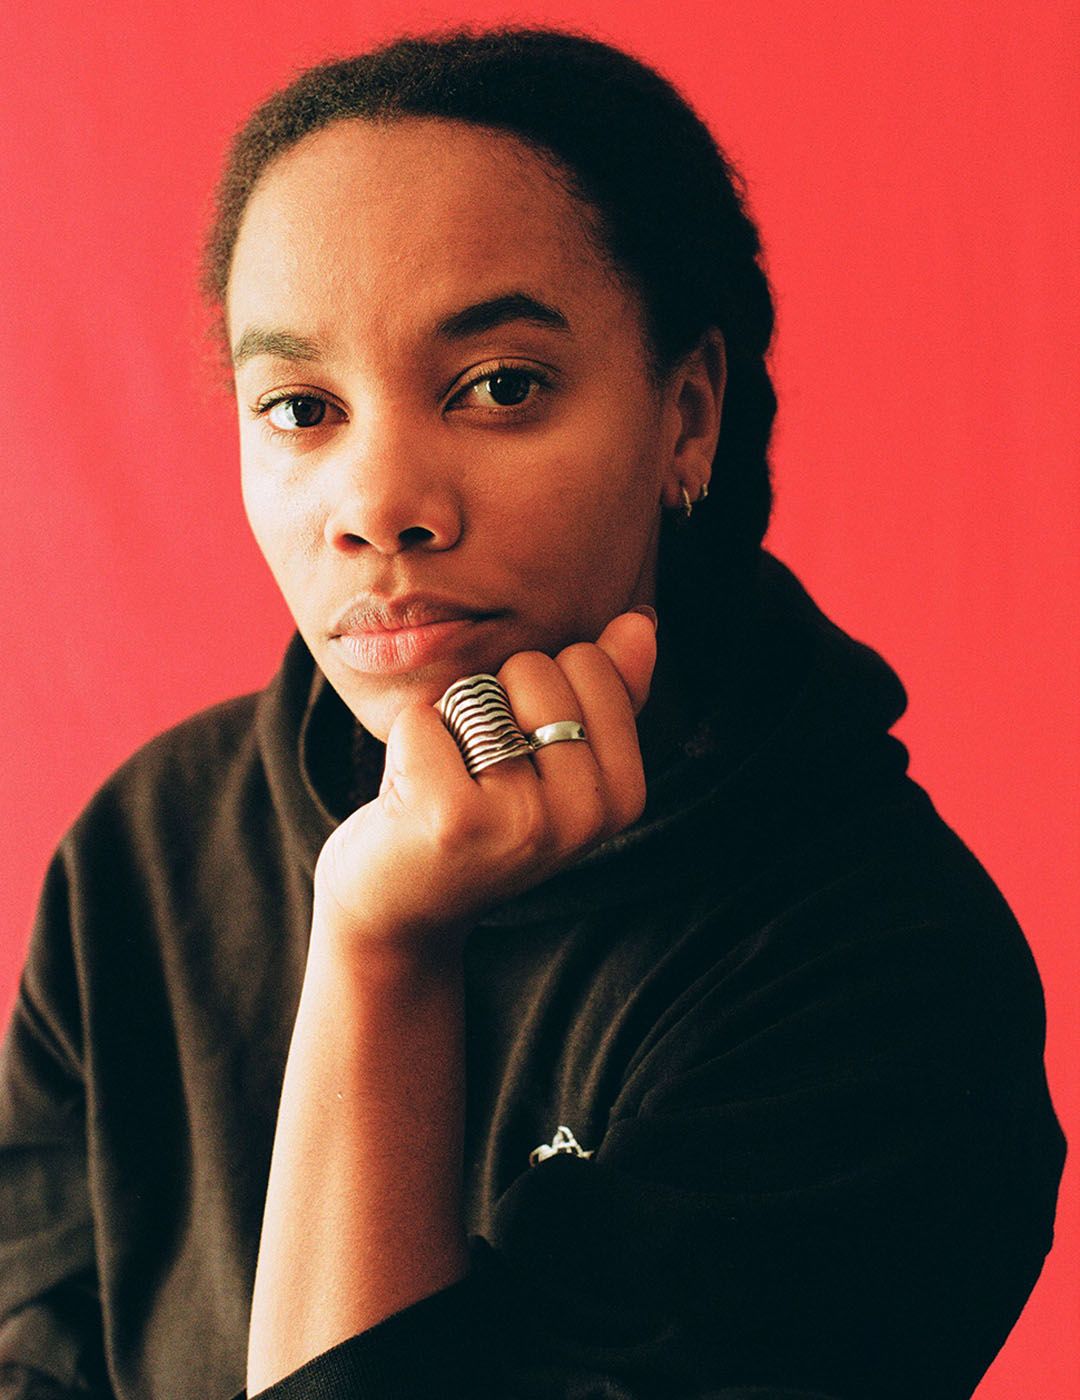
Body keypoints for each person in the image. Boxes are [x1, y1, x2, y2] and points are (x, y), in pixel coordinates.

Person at [0, 27, 1065, 1400]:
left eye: (501, 387)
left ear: (687, 416)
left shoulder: (885, 982)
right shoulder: (147, 854)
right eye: (301, 407)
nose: (378, 504)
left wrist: (383, 949)